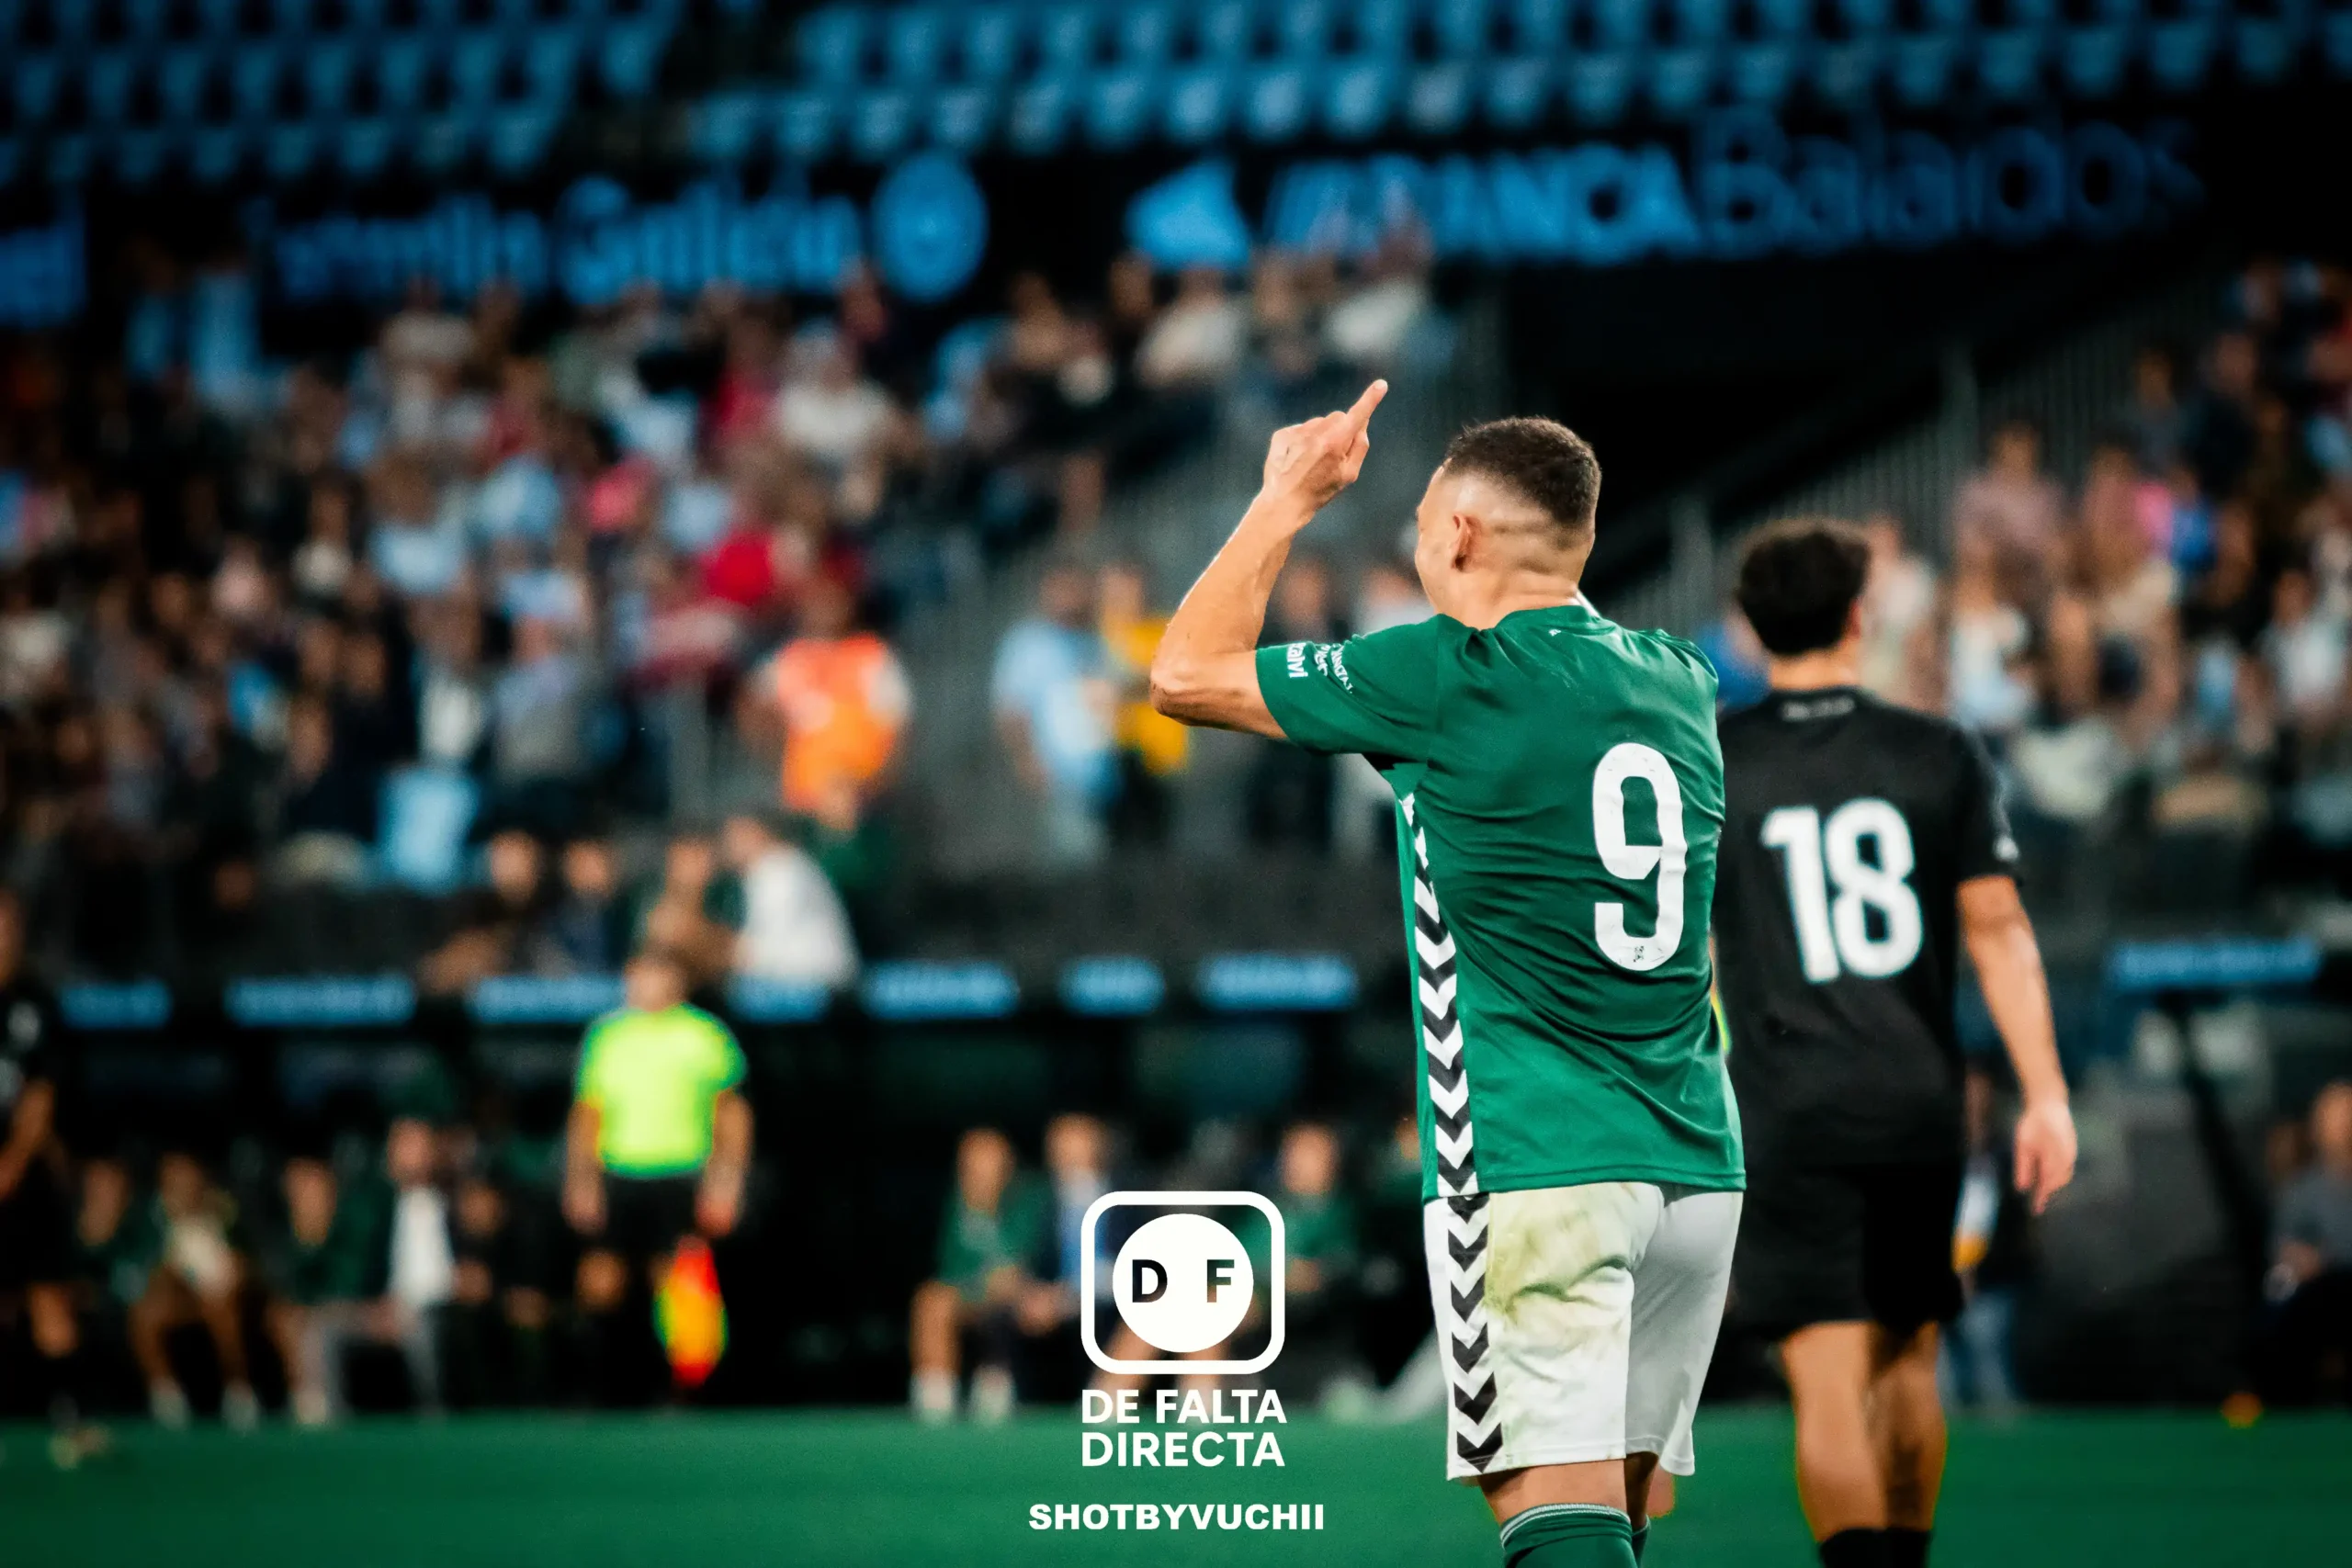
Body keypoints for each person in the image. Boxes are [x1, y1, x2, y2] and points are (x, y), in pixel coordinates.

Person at [1150, 387, 1744, 1568]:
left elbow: (1184, 674)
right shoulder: (1678, 677)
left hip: (1536, 1161)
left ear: (1462, 537)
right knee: (1621, 1517)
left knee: (1551, 1519)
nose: (1418, 542)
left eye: (1424, 518)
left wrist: (1286, 499)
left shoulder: (1443, 671)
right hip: (1696, 1165)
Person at [1710, 519, 2078, 1568]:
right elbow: (2001, 934)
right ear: (1860, 616)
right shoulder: (1935, 751)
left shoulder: (1716, 760)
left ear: (1749, 628)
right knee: (1910, 1364)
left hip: (1786, 1099)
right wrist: (2044, 1092)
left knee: (1826, 1375)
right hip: (1914, 1094)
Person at [564, 948, 752, 1403]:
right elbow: (587, 1114)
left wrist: (727, 1180)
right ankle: (599, 1387)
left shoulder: (704, 1034)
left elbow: (732, 1114)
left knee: (678, 1287)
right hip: (620, 1174)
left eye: (659, 974)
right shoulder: (607, 1035)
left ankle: (679, 1395)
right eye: (640, 974)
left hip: (680, 1175)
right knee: (601, 1280)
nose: (647, 983)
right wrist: (581, 1179)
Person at [0, 888, 107, 1462]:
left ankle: (72, 1421)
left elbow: (41, 1095)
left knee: (49, 1299)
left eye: (10, 926)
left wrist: (12, 1163)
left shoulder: (32, 1005)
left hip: (23, 1178)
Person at [908, 1125, 1048, 1426]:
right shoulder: (954, 1206)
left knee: (1001, 1288)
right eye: (975, 1162)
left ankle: (996, 1380)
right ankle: (936, 1401)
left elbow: (1031, 1259)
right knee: (932, 1300)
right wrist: (984, 1283)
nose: (984, 1171)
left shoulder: (1034, 1199)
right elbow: (950, 1270)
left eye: (993, 1161)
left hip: (1028, 1296)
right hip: (973, 1296)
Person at [991, 561, 1118, 868]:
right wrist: (1028, 761)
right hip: (1062, 781)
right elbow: (1011, 710)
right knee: (1080, 863)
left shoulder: (1095, 640)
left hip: (1108, 779)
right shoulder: (1029, 644)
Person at [2259, 1080, 2352, 1404]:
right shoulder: (2301, 1193)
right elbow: (2286, 1253)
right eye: (2335, 1117)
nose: (2344, 1126)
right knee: (2284, 1301)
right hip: (2321, 1294)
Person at [720, 810, 858, 987]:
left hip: (821, 982)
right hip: (803, 979)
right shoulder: (769, 869)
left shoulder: (780, 869)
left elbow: (768, 943)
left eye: (738, 836)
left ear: (758, 834)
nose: (730, 845)